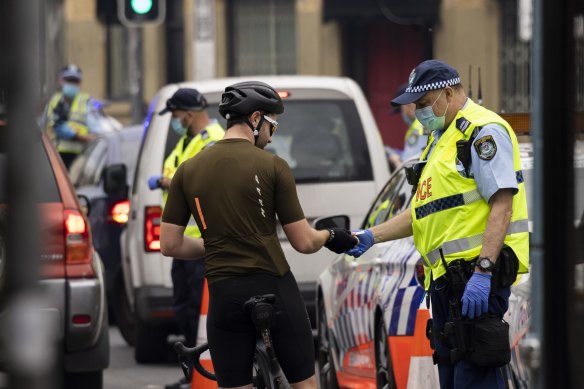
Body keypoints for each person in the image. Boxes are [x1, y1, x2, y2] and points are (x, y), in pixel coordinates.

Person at [159, 81, 356, 389]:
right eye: (272, 124)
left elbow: (169, 244)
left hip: (224, 294)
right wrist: (331, 235)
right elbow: (304, 241)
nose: (272, 133)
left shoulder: (187, 170)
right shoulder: (273, 165)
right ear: (255, 119)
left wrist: (213, 244)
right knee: (305, 383)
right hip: (274, 286)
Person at [348, 60, 529, 389]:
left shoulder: (481, 132)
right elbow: (422, 211)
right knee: (453, 376)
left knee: (475, 379)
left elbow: (502, 205)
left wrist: (484, 270)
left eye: (422, 103)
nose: (418, 112)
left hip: (477, 283)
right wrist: (372, 235)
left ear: (448, 92)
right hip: (448, 286)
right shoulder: (440, 140)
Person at [147, 88, 224, 389]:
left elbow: (195, 178)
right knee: (184, 309)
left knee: (199, 310)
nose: (175, 120)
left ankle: (205, 373)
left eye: (177, 115)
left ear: (188, 114)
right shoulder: (187, 141)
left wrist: (165, 181)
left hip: (201, 241)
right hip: (181, 241)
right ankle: (193, 372)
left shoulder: (213, 139)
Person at [44, 64, 99, 168]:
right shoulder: (54, 101)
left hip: (80, 156)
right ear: (60, 81)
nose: (72, 84)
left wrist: (75, 136)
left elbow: (97, 133)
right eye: (69, 80)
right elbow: (49, 127)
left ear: (80, 83)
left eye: (75, 81)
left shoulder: (87, 101)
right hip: (55, 156)